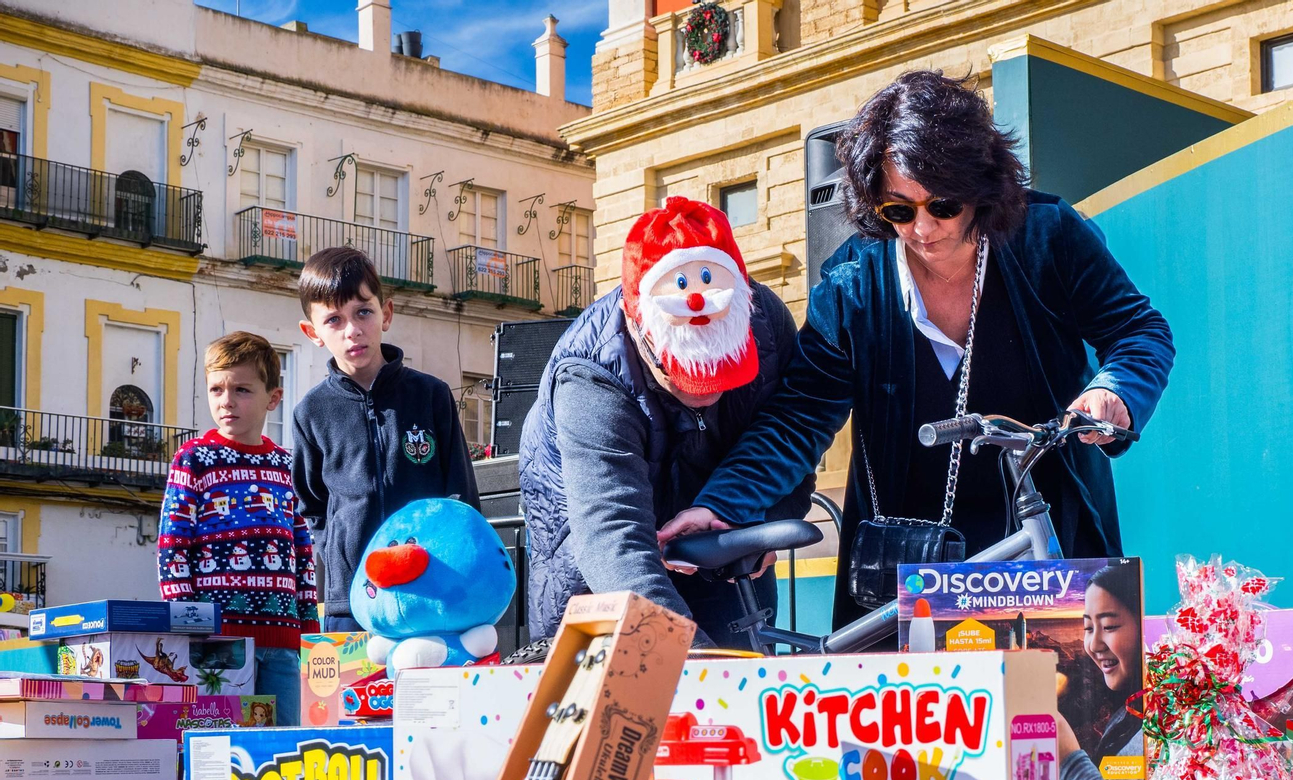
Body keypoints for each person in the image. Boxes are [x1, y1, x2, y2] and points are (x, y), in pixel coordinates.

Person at [658, 72, 1174, 630]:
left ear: (981, 189)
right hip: (909, 563)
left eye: (943, 205)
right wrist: (723, 503)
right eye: (899, 211)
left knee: (1059, 687)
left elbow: (1139, 330)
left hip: (1047, 540)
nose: (923, 229)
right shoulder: (852, 283)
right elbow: (798, 417)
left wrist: (1114, 391)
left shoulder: (1050, 236)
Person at [519, 197, 810, 648]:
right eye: (684, 374)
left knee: (743, 675)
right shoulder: (590, 377)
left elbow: (790, 437)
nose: (706, 393)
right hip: (601, 564)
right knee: (641, 682)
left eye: (722, 372)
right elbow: (612, 536)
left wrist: (768, 520)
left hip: (724, 542)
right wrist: (692, 661)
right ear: (638, 327)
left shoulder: (766, 322)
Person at [291, 246, 479, 633]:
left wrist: (458, 563)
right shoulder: (310, 412)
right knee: (356, 678)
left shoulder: (431, 395)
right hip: (352, 601)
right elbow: (311, 505)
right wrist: (341, 553)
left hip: (431, 590)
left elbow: (460, 493)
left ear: (386, 313)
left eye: (363, 312)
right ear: (312, 333)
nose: (352, 330)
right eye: (334, 320)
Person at [158, 331, 318, 722]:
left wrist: (309, 625)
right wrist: (184, 621)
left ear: (273, 398)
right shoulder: (194, 459)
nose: (226, 401)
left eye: (242, 389)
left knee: (281, 743)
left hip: (284, 639)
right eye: (217, 389)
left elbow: (302, 551)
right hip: (217, 637)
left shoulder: (286, 465)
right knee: (218, 738)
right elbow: (173, 544)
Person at [1058, 560, 1144, 780]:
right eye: (1088, 628)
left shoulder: (1162, 731)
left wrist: (1069, 763)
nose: (1094, 645)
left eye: (1108, 626)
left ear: (1142, 626)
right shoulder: (1126, 714)